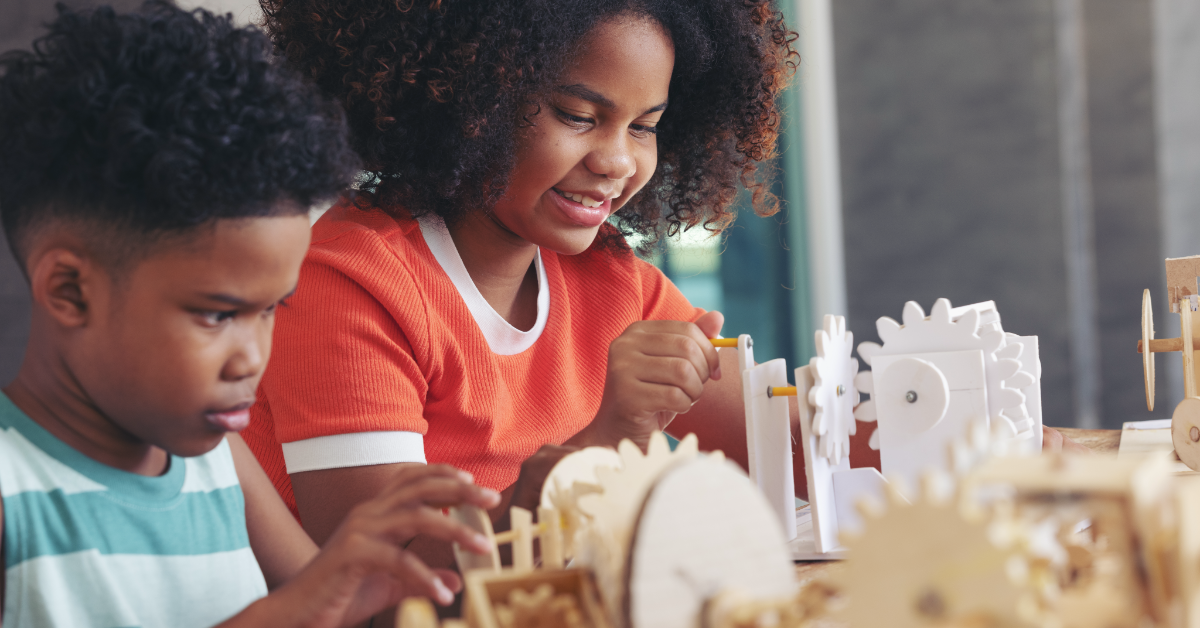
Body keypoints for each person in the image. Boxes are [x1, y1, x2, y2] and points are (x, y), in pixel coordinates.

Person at [242, 0, 811, 569]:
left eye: (643, 128)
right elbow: (386, 581)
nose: (617, 161)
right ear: (467, 96)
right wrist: (599, 446)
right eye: (577, 115)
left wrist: (878, 404)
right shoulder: (350, 281)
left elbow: (786, 447)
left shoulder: (611, 280)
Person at [0, 4, 498, 626]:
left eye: (271, 311)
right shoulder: (12, 491)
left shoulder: (216, 457)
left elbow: (321, 609)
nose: (253, 358)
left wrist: (377, 575)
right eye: (217, 316)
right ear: (70, 291)